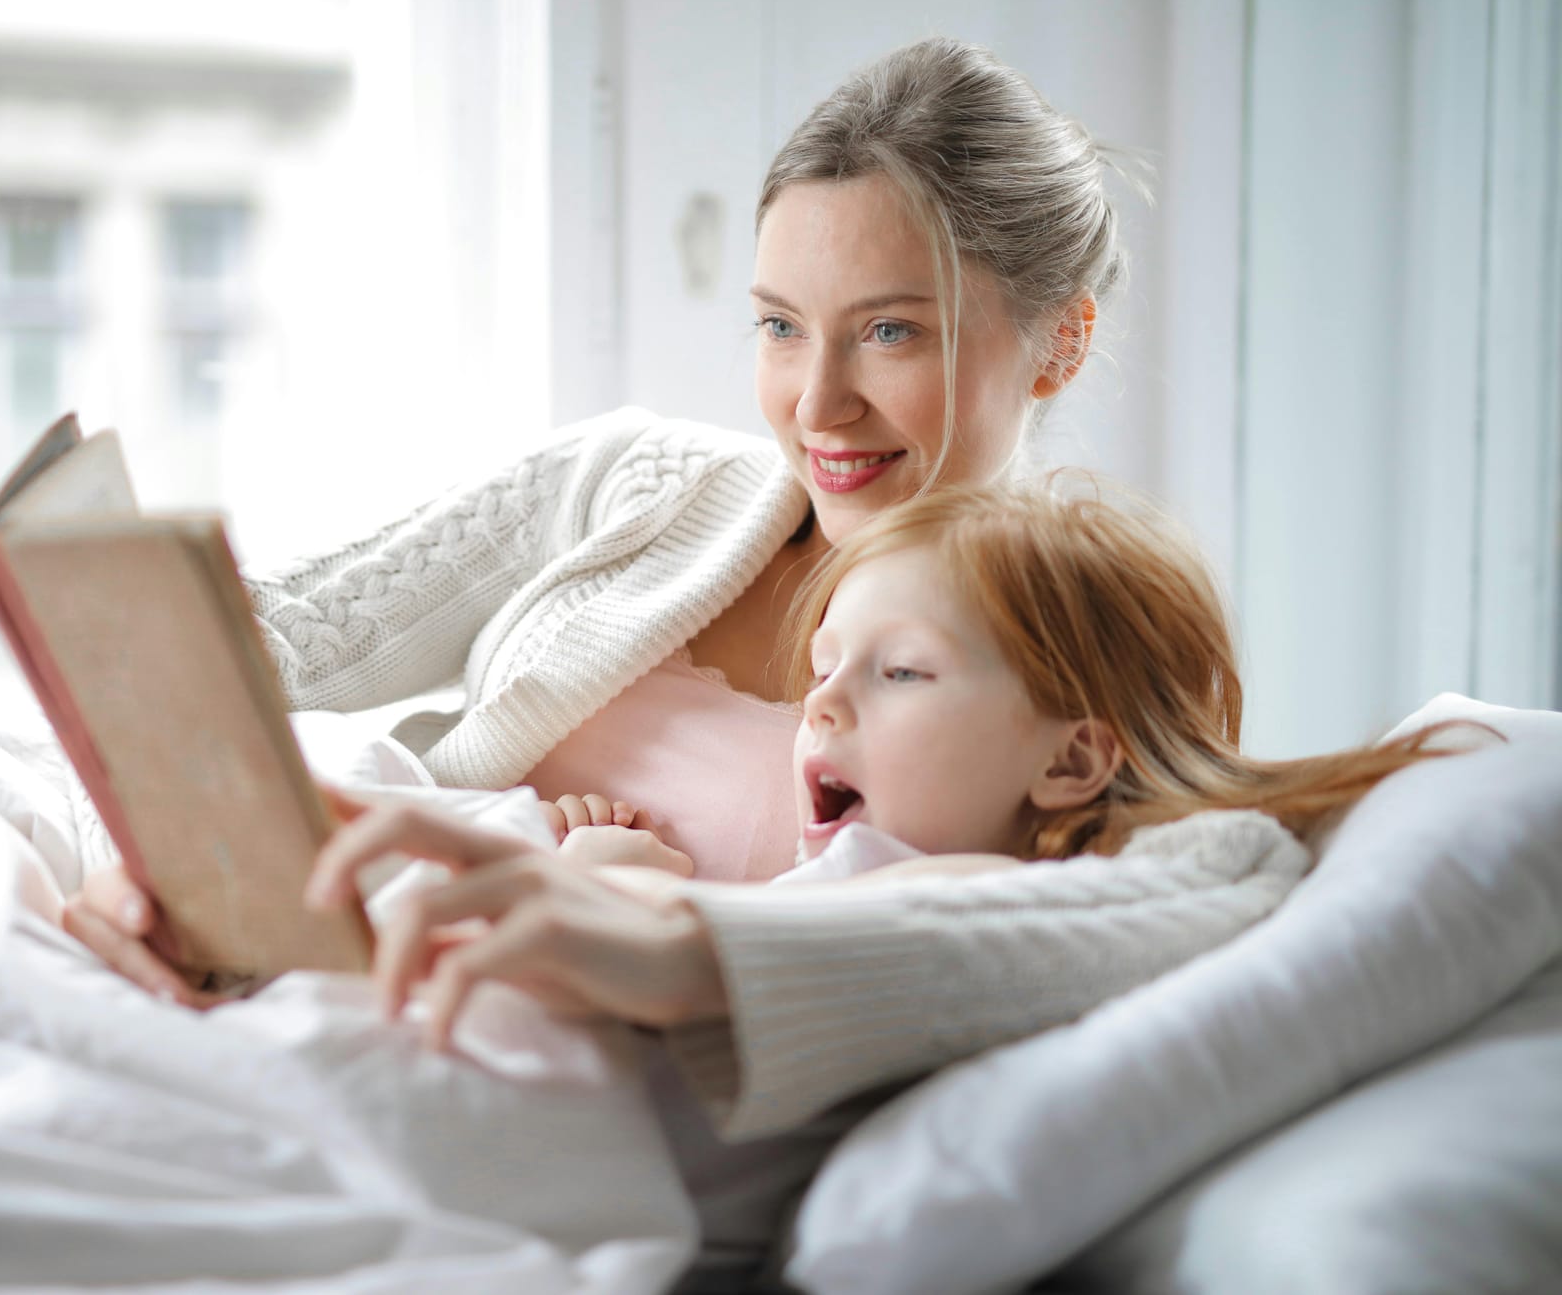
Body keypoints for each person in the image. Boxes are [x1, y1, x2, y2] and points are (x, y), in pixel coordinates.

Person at [66, 34, 1132, 998]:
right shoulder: (636, 482)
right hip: (326, 970)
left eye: (891, 333)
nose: (814, 404)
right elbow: (241, 660)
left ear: (1061, 343)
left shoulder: (1076, 671)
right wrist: (162, 868)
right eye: (777, 326)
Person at [301, 478, 1463, 1275]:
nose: (820, 701)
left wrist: (647, 919)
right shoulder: (866, 872)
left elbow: (1227, 865)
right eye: (823, 665)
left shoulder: (1013, 897)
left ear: (1070, 757)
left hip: (461, 1136)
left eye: (899, 671)